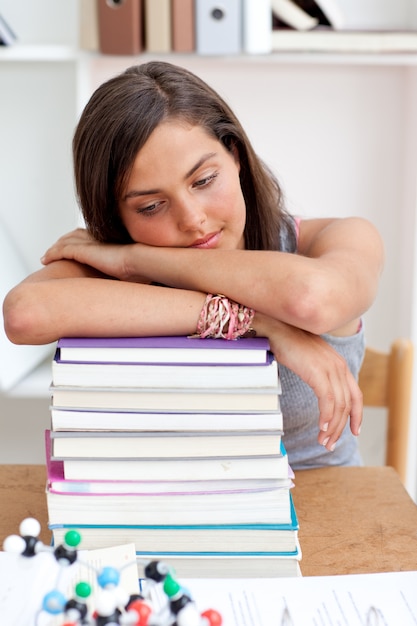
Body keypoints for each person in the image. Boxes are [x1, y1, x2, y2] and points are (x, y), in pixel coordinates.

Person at [2, 61, 384, 470]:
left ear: (234, 155)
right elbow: (26, 314)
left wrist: (139, 259)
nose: (192, 219)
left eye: (203, 181)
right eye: (151, 206)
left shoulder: (334, 239)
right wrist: (259, 322)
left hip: (327, 505)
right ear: (118, 217)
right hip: (176, 512)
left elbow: (310, 300)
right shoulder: (108, 261)